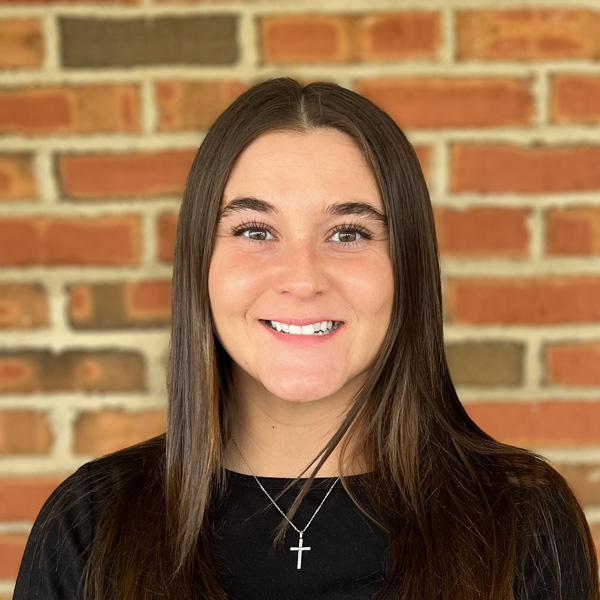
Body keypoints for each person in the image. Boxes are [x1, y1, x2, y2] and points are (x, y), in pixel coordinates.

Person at [13, 77, 599, 600]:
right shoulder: (91, 525)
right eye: (255, 230)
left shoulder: (522, 521)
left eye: (348, 232)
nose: (301, 278)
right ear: (200, 264)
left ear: (409, 266)